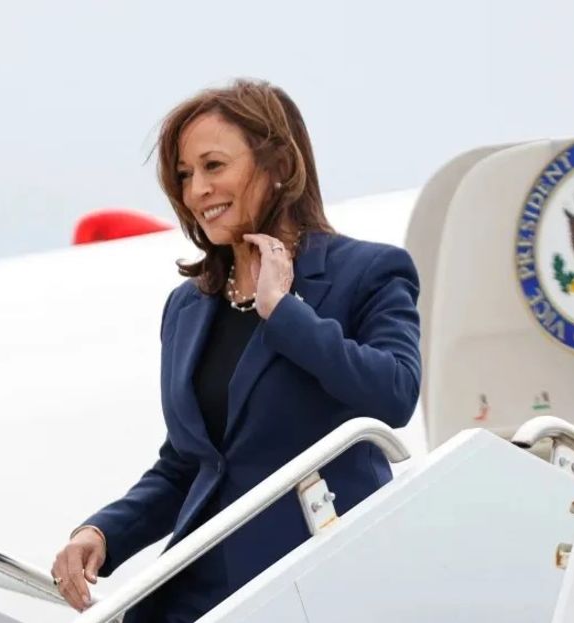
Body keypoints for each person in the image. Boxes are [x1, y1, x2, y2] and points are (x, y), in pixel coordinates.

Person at [51, 79, 421, 622]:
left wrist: (283, 311)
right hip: (199, 587)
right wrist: (104, 531)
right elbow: (189, 464)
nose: (196, 189)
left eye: (213, 166)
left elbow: (395, 393)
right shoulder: (187, 306)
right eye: (184, 174)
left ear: (277, 166)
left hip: (314, 581)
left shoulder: (368, 271)